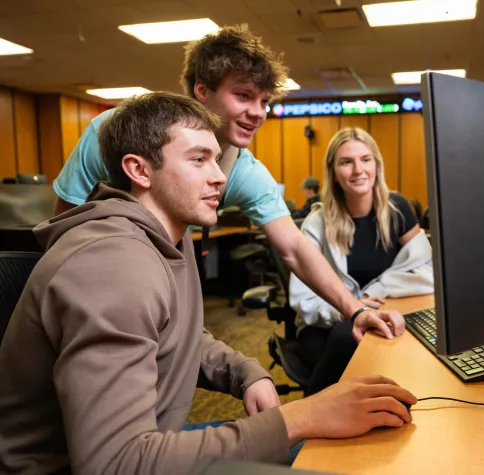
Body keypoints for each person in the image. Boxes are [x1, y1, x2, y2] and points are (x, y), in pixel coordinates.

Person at [0, 92, 417, 474]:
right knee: (330, 455)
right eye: (199, 160)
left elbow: (175, 335)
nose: (219, 176)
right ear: (139, 170)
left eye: (217, 160)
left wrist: (245, 371)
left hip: (150, 444)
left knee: (344, 448)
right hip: (99, 463)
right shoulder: (112, 265)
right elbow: (117, 463)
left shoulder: (165, 237)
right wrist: (302, 416)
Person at [52, 24, 405, 349]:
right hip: (91, 287)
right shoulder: (112, 133)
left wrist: (355, 310)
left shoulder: (242, 170)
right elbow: (63, 232)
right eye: (244, 96)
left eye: (264, 101)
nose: (259, 112)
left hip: (158, 289)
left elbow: (294, 247)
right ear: (202, 91)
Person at [290, 128, 434, 395]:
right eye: (346, 162)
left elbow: (428, 269)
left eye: (366, 159)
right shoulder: (316, 223)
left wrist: (374, 292)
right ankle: (310, 422)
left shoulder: (397, 209)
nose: (358, 170)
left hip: (382, 310)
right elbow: (304, 301)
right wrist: (353, 308)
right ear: (333, 172)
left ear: (376, 165)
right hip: (323, 326)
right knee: (348, 338)